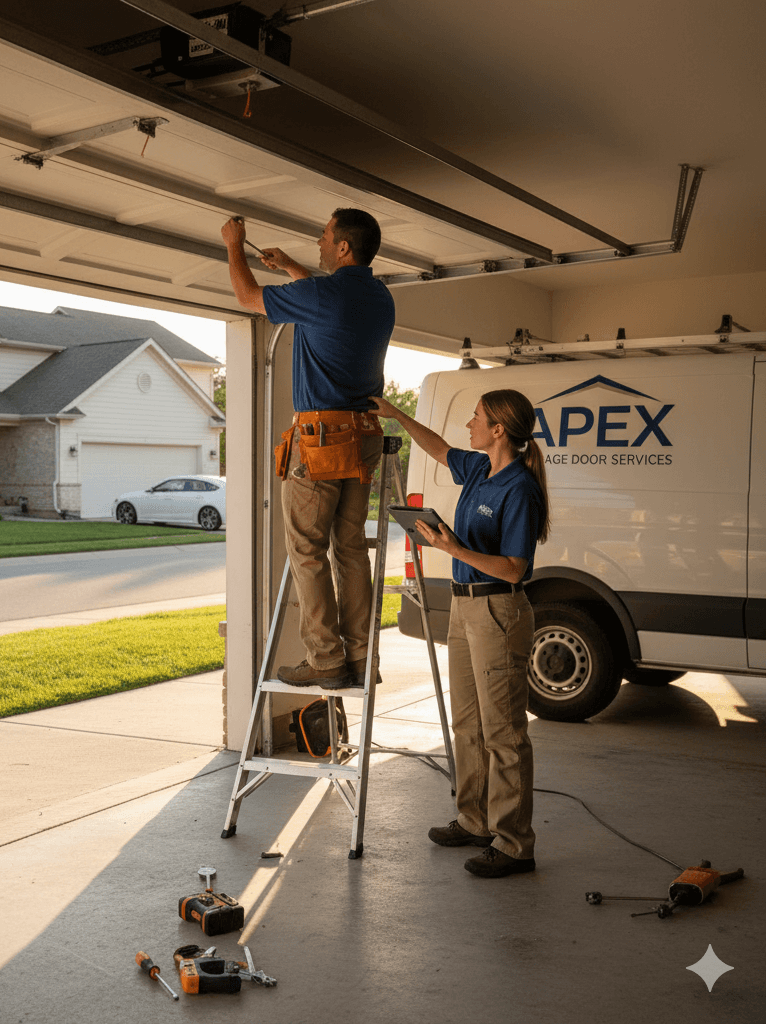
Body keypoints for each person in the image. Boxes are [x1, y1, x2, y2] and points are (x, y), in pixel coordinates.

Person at [369, 388, 550, 878]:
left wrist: (451, 546)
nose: (469, 424)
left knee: (504, 733)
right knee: (466, 724)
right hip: (464, 610)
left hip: (499, 612)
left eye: (476, 418)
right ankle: (475, 821)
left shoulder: (519, 488)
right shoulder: (478, 469)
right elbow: (438, 448)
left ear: (499, 430)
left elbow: (514, 568)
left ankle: (514, 844)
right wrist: (396, 415)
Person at [221, 210, 394, 688]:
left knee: (307, 550)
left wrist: (235, 244)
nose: (318, 241)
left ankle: (324, 661)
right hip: (362, 437)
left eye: (324, 235)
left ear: (342, 248)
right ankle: (361, 659)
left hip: (320, 441)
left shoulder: (324, 295)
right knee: (351, 549)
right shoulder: (379, 297)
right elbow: (331, 301)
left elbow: (247, 296)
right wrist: (296, 268)